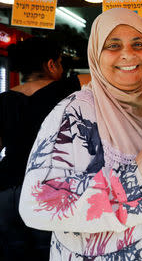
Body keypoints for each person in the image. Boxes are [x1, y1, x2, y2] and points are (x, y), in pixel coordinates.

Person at [18, 8, 142, 260]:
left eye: (138, 44)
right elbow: (37, 205)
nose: (128, 54)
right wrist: (136, 172)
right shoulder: (74, 113)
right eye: (113, 45)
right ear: (96, 54)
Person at [0, 37, 81, 260]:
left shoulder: (4, 100)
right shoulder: (67, 90)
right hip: (49, 188)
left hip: (7, 190)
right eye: (60, 63)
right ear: (51, 65)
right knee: (50, 252)